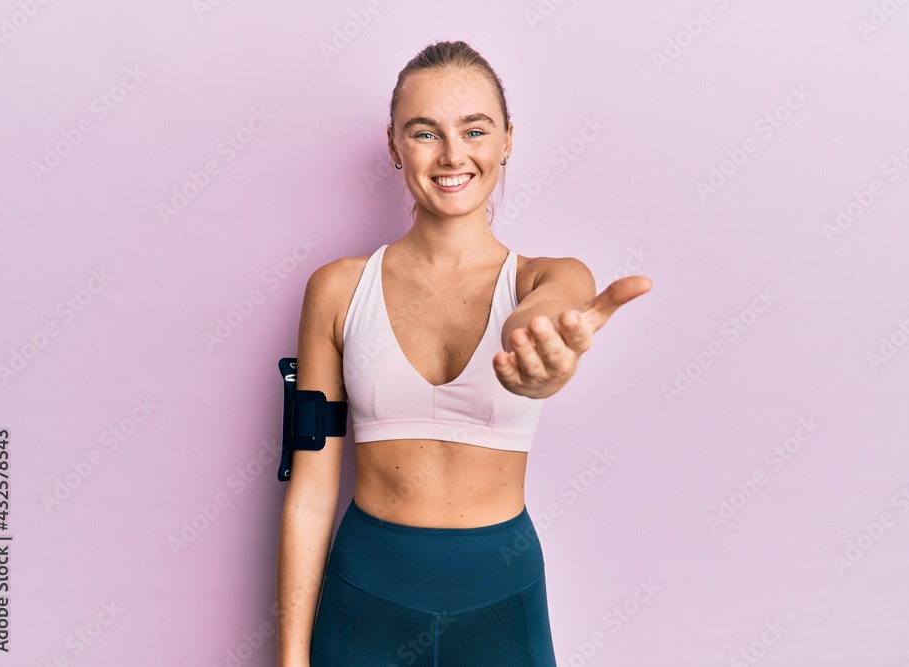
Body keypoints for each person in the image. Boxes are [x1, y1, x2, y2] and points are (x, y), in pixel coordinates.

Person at [276, 40, 651, 667]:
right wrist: (289, 658)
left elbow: (552, 309)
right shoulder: (337, 290)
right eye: (425, 132)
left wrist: (540, 351)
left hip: (501, 602)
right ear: (394, 145)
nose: (453, 155)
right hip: (364, 599)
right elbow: (311, 492)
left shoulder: (545, 278)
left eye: (474, 129)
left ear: (507, 139)